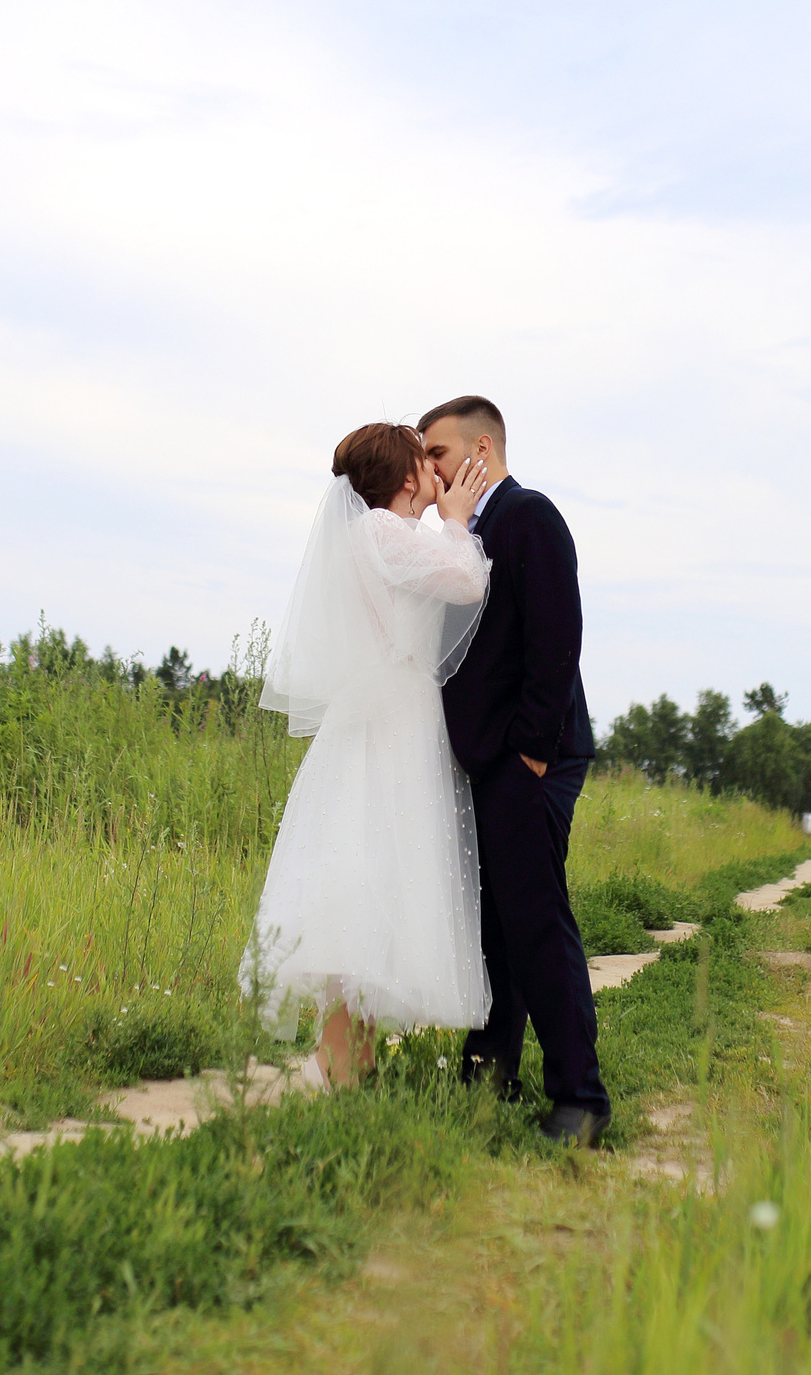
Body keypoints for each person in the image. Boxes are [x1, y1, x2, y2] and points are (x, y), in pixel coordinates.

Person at [243, 422, 497, 1086]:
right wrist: (459, 521)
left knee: (370, 890)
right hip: (392, 722)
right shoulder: (385, 531)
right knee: (367, 887)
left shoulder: (374, 536)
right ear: (408, 477)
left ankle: (347, 1063)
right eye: (426, 461)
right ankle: (336, 1066)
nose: (437, 474)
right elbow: (467, 581)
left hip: (383, 716)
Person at [418, 395, 608, 1146]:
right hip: (491, 755)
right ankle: (489, 1065)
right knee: (492, 919)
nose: (427, 468)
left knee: (534, 919)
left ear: (482, 449)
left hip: (532, 755)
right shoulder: (470, 530)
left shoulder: (528, 515)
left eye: (436, 451)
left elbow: (558, 632)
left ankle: (581, 1099)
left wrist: (531, 748)